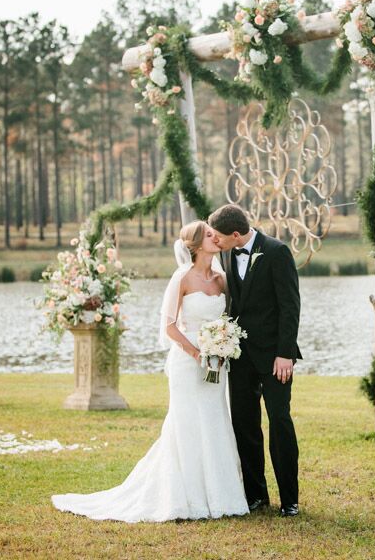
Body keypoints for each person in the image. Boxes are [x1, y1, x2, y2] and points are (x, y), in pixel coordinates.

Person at [51, 221, 249, 522]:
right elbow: (169, 326)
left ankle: (221, 496)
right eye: (209, 235)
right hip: (188, 361)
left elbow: (226, 318)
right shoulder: (181, 278)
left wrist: (222, 344)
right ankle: (185, 496)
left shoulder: (221, 279)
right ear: (195, 246)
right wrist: (196, 352)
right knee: (186, 425)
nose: (216, 237)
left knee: (215, 420)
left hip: (217, 360)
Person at [208, 204, 301, 518]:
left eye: (219, 237)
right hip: (240, 357)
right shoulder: (228, 254)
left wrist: (285, 353)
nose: (215, 242)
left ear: (235, 234)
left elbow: (290, 306)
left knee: (280, 423)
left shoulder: (277, 252)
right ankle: (256, 496)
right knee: (245, 425)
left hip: (276, 357)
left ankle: (290, 499)